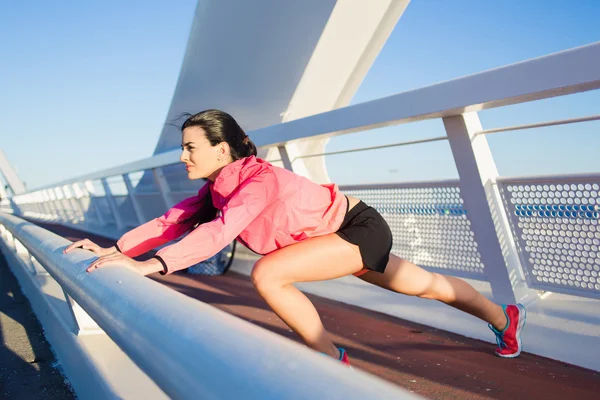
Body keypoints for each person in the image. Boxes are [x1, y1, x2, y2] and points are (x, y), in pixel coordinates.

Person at [64, 109, 526, 366]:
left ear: (222, 149)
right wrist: (117, 251)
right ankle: (504, 316)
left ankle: (330, 356)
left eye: (190, 147)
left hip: (354, 227)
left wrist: (152, 266)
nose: (182, 156)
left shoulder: (258, 180)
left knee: (269, 274)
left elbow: (224, 231)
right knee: (424, 285)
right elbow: (170, 222)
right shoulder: (215, 190)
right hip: (329, 237)